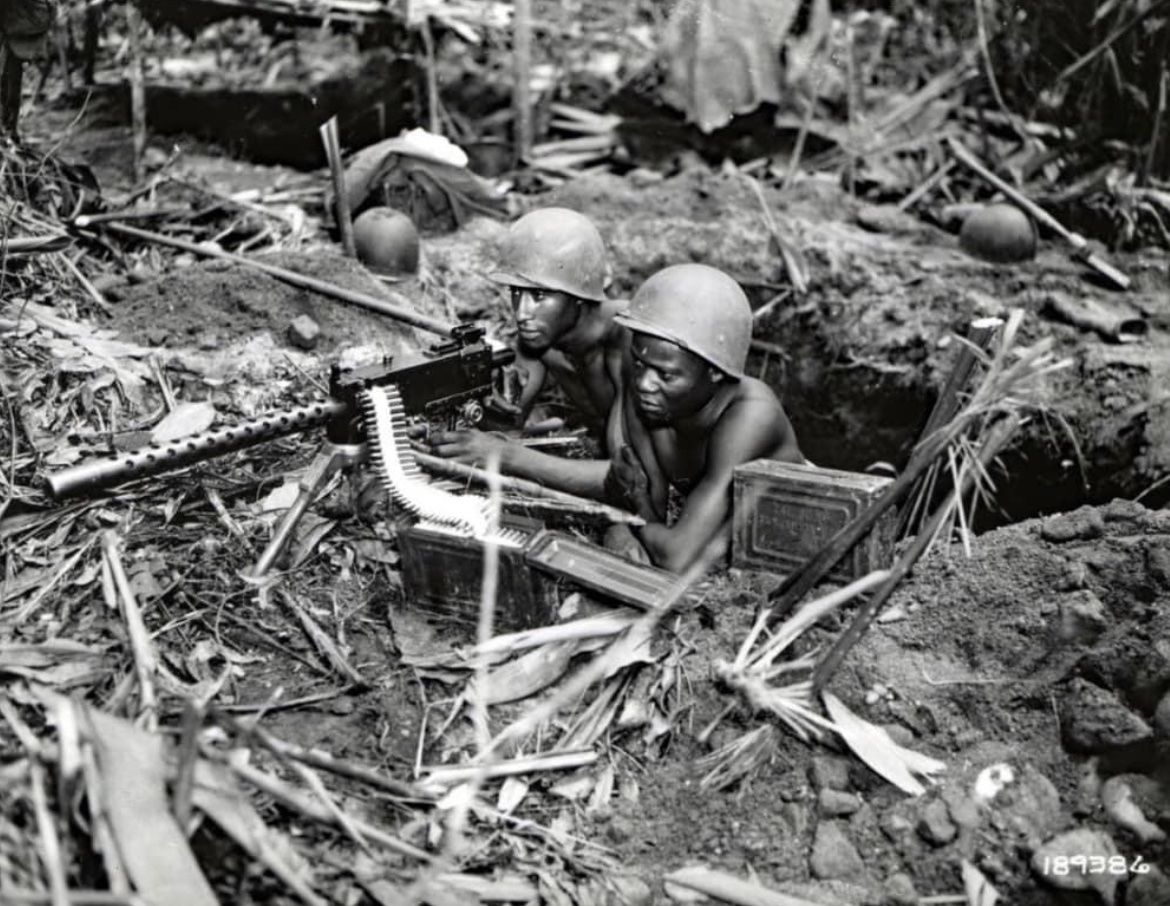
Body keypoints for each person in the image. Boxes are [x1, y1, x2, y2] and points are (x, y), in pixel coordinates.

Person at [431, 263, 804, 572]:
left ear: (715, 373)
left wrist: (637, 519)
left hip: (801, 544)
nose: (643, 383)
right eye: (639, 363)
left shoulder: (751, 418)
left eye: (667, 374)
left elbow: (676, 555)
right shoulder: (655, 402)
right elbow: (640, 499)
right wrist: (626, 524)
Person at [484, 207, 629, 439]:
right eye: (515, 292)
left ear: (580, 292)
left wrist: (507, 455)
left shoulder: (625, 333)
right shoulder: (539, 339)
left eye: (539, 295)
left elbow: (626, 466)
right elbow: (506, 428)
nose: (521, 314)